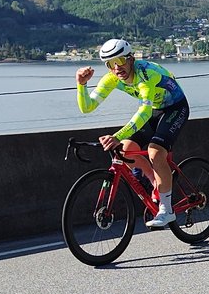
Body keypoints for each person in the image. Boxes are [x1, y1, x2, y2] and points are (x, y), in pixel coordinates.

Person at [75, 38, 189, 229]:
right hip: (155, 109)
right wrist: (81, 85)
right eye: (110, 64)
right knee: (125, 150)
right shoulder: (112, 78)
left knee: (155, 152)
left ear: (131, 59)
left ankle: (166, 210)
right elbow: (87, 107)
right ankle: (155, 182)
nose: (116, 67)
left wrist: (116, 136)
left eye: (120, 61)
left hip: (175, 108)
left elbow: (143, 112)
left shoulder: (146, 74)